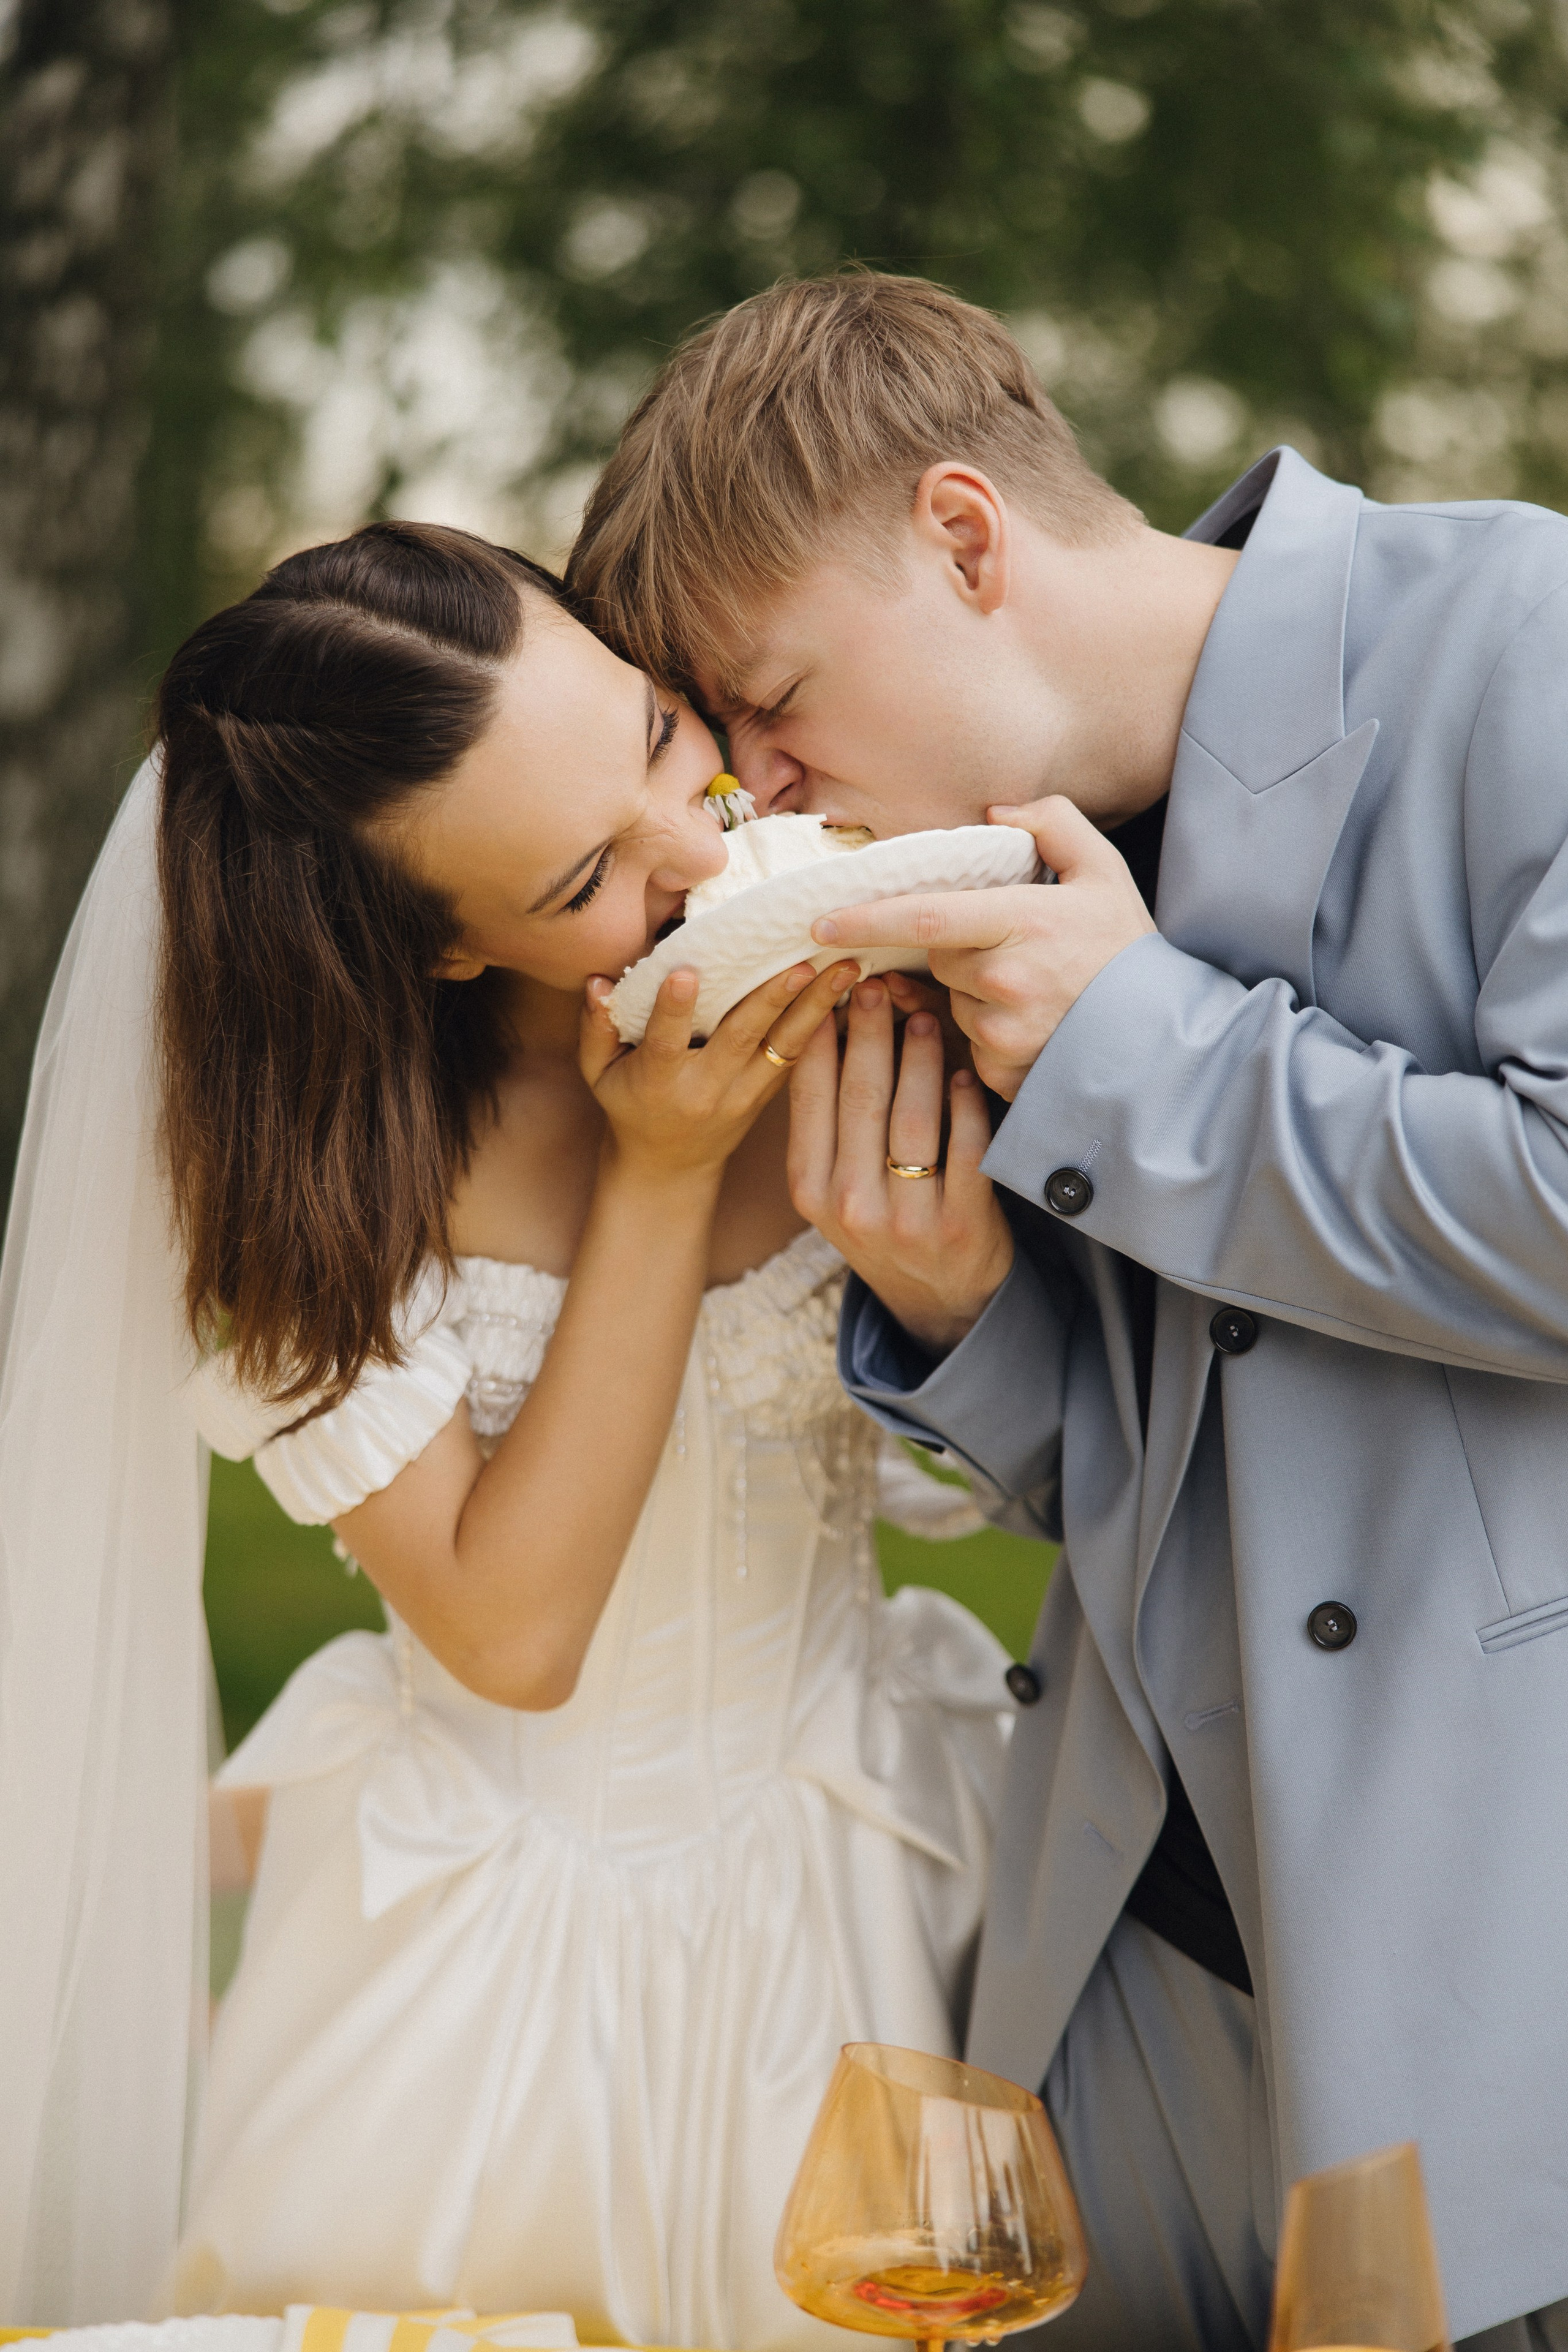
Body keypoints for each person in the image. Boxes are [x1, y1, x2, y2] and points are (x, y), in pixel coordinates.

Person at [566, 270, 1568, 2350]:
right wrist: (964, 1318)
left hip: (1498, 1981)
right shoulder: (989, 868)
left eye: (773, 707)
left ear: (961, 533)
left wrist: (1141, 1051)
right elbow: (1201, 1453)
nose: (780, 794)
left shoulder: (1526, 643)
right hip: (1131, 1992)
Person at [0, 519, 1009, 2336]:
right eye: (581, 886)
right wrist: (661, 1176)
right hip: (502, 1990)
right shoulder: (324, 1193)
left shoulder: (867, 988)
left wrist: (948, 1297)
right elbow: (513, 1630)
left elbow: (1010, 1480)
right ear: (447, 952)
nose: (699, 854)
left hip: (868, 1884)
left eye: (651, 741)